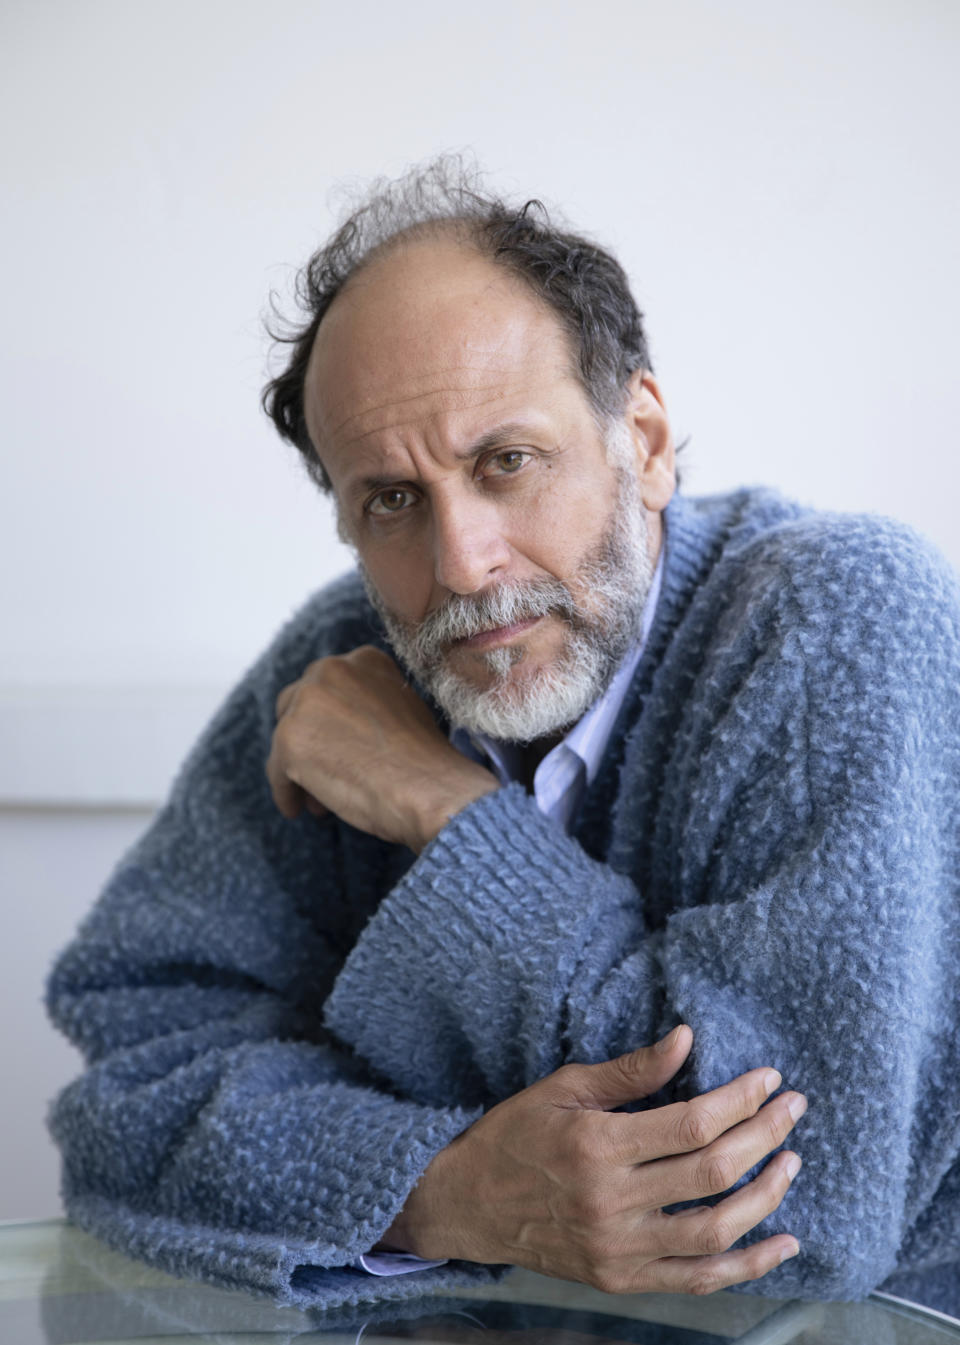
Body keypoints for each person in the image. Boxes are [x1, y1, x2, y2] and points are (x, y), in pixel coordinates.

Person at [46, 160, 960, 1316]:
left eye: (505, 463)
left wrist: (450, 814)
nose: (462, 563)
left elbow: (789, 1214)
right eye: (389, 499)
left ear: (645, 437)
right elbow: (129, 1079)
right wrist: (443, 1187)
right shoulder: (340, 661)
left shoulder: (839, 616)